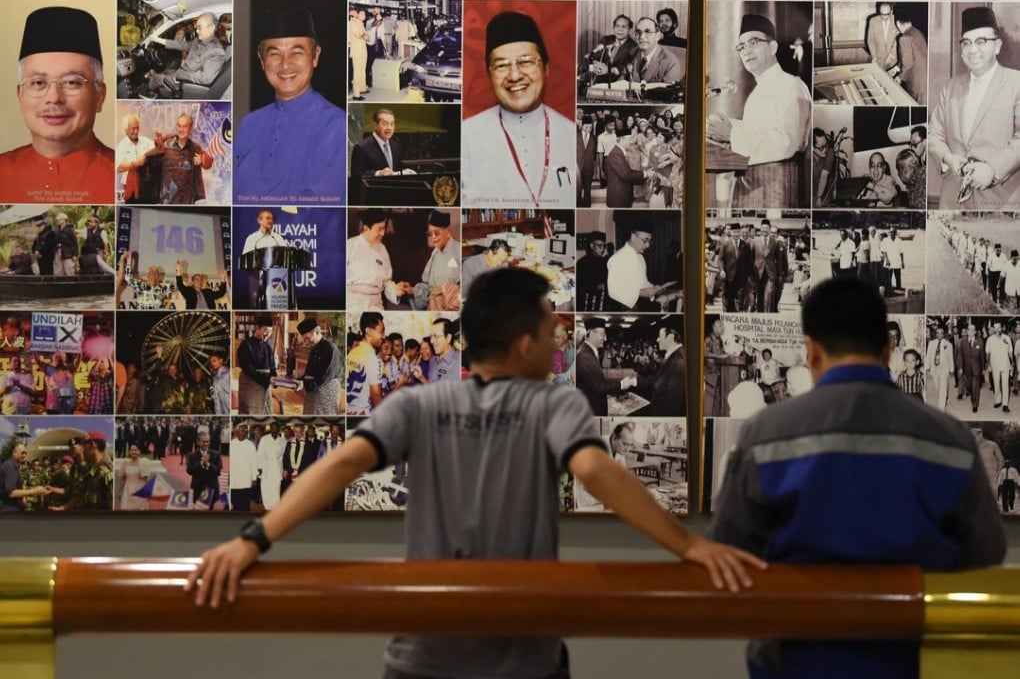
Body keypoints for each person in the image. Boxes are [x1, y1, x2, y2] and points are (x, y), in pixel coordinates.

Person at [185, 268, 765, 679]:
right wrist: (690, 546)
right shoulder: (553, 406)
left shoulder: (419, 406)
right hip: (523, 661)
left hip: (422, 658)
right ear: (521, 345)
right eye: (549, 332)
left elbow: (338, 465)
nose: (556, 341)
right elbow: (597, 472)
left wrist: (251, 540)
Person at [710, 276, 1006, 679]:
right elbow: (985, 552)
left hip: (797, 662)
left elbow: (731, 550)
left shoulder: (765, 435)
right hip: (916, 662)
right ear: (887, 349)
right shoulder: (951, 439)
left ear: (811, 352)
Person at [0, 7, 114, 203]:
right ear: (20, 95)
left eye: (71, 82)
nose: (54, 97)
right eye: (38, 83)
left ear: (99, 96)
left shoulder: (123, 176)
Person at [462, 11, 575, 207]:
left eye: (526, 62)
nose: (514, 75)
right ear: (489, 74)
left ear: (546, 68)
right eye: (502, 66)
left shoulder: (571, 134)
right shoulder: (466, 137)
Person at [234, 8, 346, 203]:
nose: (285, 65)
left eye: (296, 52)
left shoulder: (337, 127)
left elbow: (317, 212)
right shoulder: (248, 124)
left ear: (315, 55)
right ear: (261, 60)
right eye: (274, 54)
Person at [706, 14, 810, 208]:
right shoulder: (758, 91)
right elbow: (763, 129)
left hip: (776, 190)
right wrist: (726, 127)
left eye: (754, 42)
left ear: (773, 47)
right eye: (741, 47)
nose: (746, 51)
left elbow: (787, 142)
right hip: (752, 188)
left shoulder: (790, 85)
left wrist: (732, 133)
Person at [929, 7, 1020, 208]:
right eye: (967, 43)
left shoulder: (1016, 83)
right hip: (951, 202)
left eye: (981, 41)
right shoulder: (950, 87)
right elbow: (934, 135)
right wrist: (947, 158)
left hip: (1000, 202)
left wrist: (993, 170)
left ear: (997, 46)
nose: (972, 50)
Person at [146, 12, 226, 98]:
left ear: (211, 28)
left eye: (200, 28)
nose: (197, 31)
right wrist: (158, 40)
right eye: (196, 27)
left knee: (156, 78)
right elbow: (182, 45)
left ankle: (148, 95)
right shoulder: (198, 40)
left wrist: (180, 76)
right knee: (166, 71)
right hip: (182, 73)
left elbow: (206, 78)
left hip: (185, 82)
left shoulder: (216, 51)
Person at [575, 317, 636, 416]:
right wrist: (622, 384)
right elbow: (599, 386)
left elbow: (595, 382)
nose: (605, 339)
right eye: (603, 335)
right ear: (591, 333)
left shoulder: (587, 352)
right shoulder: (585, 357)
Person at [409, 211, 461, 311]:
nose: (433, 237)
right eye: (430, 233)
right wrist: (412, 290)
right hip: (433, 307)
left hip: (452, 307)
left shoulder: (458, 250)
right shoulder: (435, 253)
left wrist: (451, 295)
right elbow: (426, 285)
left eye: (436, 232)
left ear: (448, 231)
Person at [156, 114, 213, 205]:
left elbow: (209, 162)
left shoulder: (194, 148)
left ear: (190, 129)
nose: (181, 129)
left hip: (186, 202)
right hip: (166, 201)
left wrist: (201, 160)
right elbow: (154, 162)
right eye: (179, 126)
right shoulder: (166, 145)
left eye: (184, 126)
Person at [607, 226, 666, 311]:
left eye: (650, 241)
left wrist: (653, 288)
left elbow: (642, 283)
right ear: (633, 237)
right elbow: (614, 291)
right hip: (624, 309)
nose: (648, 245)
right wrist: (642, 293)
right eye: (645, 240)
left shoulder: (640, 258)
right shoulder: (617, 258)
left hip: (641, 306)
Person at [350, 109, 416, 179]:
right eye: (385, 124)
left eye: (392, 124)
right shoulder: (361, 147)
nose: (389, 128)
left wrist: (404, 172)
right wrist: (378, 173)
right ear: (375, 125)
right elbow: (356, 175)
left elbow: (394, 172)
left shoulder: (396, 146)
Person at [635, 326, 686, 416]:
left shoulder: (679, 361)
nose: (657, 340)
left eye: (660, 337)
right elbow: (656, 379)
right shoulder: (671, 356)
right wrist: (634, 382)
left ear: (670, 337)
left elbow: (674, 402)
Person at [296, 317, 342, 415]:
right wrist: (300, 380)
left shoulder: (330, 348)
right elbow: (309, 372)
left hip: (326, 389)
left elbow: (325, 375)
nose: (307, 341)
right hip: (314, 388)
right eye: (304, 339)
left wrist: (306, 384)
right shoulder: (314, 348)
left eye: (308, 338)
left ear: (316, 332)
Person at [346, 312, 385, 415]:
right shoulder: (374, 359)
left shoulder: (351, 353)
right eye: (381, 332)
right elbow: (376, 398)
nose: (383, 336)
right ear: (369, 331)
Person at [237, 315, 277, 415]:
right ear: (257, 328)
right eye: (265, 330)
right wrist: (268, 379)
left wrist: (275, 378)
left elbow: (272, 367)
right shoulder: (246, 345)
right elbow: (249, 369)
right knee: (251, 413)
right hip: (251, 385)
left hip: (265, 387)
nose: (268, 334)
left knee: (266, 412)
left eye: (270, 332)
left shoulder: (267, 347)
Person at [582, 14, 637, 86]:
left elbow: (627, 67)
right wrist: (595, 64)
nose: (620, 29)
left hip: (616, 83)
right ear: (614, 28)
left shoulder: (633, 46)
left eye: (623, 26)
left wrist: (608, 69)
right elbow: (594, 56)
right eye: (617, 26)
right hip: (598, 79)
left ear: (629, 30)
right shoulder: (606, 40)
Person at [628, 17, 683, 85]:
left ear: (657, 36)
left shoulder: (671, 62)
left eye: (647, 32)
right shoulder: (631, 54)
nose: (641, 37)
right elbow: (622, 81)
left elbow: (669, 93)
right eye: (638, 32)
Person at [115, 113, 156, 203]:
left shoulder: (145, 141)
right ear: (126, 130)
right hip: (131, 190)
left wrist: (160, 140)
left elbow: (156, 149)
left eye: (137, 128)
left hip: (147, 186)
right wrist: (134, 164)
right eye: (133, 128)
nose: (136, 131)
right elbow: (119, 167)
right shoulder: (122, 145)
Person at [891, 6, 927, 104]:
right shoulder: (917, 32)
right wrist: (897, 68)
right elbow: (913, 56)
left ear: (897, 23)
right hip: (924, 81)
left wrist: (900, 77)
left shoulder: (904, 38)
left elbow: (908, 63)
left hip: (916, 84)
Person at [604, 134, 651, 208]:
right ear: (622, 140)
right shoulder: (615, 154)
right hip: (618, 198)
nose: (631, 142)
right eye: (629, 140)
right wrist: (645, 174)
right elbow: (625, 174)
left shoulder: (619, 152)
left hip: (622, 196)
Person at [0, 443, 48, 512]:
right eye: (22, 453)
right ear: (14, 452)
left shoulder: (15, 466)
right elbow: (12, 493)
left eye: (25, 453)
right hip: (8, 509)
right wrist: (35, 491)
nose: (24, 455)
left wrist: (23, 497)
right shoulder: (9, 466)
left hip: (15, 506)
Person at [187, 430, 222, 510]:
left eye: (207, 441)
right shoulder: (192, 455)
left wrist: (208, 464)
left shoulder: (216, 454)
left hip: (211, 489)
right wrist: (201, 463)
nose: (206, 444)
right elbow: (189, 471)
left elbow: (218, 470)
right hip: (197, 489)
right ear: (198, 442)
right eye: (203, 442)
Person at [229, 424, 258, 512]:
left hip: (246, 479)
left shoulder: (250, 445)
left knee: (245, 505)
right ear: (236, 432)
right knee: (234, 503)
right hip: (234, 480)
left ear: (246, 433)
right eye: (241, 430)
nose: (243, 432)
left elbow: (254, 463)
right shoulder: (231, 444)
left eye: (244, 431)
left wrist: (254, 478)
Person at [576, 232, 608, 311]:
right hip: (587, 302)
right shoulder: (582, 263)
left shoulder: (604, 262)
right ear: (591, 246)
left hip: (602, 302)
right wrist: (597, 286)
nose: (602, 249)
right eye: (599, 246)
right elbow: (580, 284)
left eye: (604, 246)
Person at [925, 325, 954, 410]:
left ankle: (941, 407)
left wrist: (951, 369)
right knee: (936, 386)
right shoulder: (931, 343)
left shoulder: (948, 344)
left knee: (943, 388)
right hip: (935, 368)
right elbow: (928, 356)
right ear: (936, 334)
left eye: (941, 333)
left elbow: (950, 358)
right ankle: (944, 398)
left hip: (944, 368)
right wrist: (927, 367)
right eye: (938, 333)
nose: (939, 335)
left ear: (943, 334)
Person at [866, 2, 898, 72]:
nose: (884, 17)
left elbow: (898, 40)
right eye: (882, 14)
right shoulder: (873, 21)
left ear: (891, 11)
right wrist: (874, 56)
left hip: (893, 60)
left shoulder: (896, 20)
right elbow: (871, 40)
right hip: (878, 60)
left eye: (886, 14)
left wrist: (891, 55)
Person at [427, 317, 460, 382]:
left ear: (448, 338)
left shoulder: (458, 364)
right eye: (431, 336)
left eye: (436, 336)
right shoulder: (433, 360)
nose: (431, 341)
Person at [118, 443, 149, 510]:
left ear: (139, 451)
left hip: (140, 492)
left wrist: (148, 493)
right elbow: (123, 479)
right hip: (127, 491)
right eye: (131, 450)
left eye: (135, 450)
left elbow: (147, 480)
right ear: (129, 452)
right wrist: (120, 491)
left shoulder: (144, 462)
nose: (133, 452)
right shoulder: (125, 463)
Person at [577, 119, 597, 207]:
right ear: (582, 126)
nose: (589, 128)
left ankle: (587, 204)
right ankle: (577, 203)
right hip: (577, 166)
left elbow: (595, 153)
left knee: (587, 187)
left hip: (589, 166)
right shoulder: (575, 136)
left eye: (590, 127)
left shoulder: (594, 138)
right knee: (578, 187)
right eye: (586, 126)